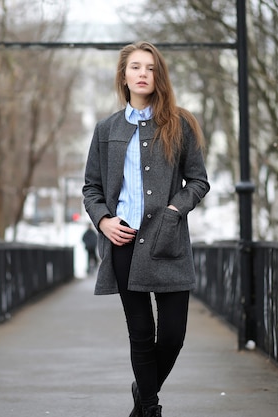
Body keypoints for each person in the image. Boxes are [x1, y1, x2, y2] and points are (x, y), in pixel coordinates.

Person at [82, 41, 210, 417]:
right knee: (140, 333)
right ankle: (150, 408)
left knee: (172, 336)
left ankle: (142, 390)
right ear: (123, 75)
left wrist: (174, 210)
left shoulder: (179, 123)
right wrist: (104, 220)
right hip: (123, 241)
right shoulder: (106, 129)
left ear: (158, 76)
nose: (142, 74)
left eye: (150, 68)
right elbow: (91, 187)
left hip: (168, 239)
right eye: (135, 67)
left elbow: (198, 182)